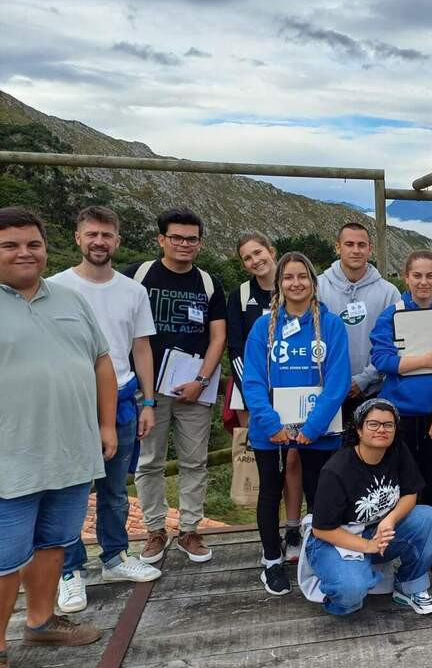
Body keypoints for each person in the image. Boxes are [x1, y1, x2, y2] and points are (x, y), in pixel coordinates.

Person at [0, 207, 116, 668]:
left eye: (33, 244)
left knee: (54, 543)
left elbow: (102, 361)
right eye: (10, 245)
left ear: (48, 248)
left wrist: (107, 424)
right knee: (4, 560)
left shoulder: (70, 299)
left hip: (70, 451)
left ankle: (42, 621)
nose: (25, 252)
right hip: (10, 456)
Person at [49, 206, 162, 614]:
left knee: (115, 489)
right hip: (72, 401)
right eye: (92, 234)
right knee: (70, 490)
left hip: (124, 399)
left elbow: (141, 347)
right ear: (78, 237)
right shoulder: (54, 288)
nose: (99, 241)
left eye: (107, 235)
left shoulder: (133, 291)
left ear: (117, 240)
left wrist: (149, 401)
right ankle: (69, 570)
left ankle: (114, 557)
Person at [242, 252, 350, 596]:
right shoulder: (263, 327)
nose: (296, 283)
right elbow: (253, 380)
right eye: (288, 277)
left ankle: (318, 557)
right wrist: (271, 423)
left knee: (320, 496)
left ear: (313, 282)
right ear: (279, 284)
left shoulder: (331, 325)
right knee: (270, 493)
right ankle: (271, 561)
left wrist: (312, 428)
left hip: (318, 430)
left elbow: (338, 381)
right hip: (270, 431)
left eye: (302, 276)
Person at [126, 207, 227, 565]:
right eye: (177, 238)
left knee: (194, 461)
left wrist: (201, 381)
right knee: (149, 461)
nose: (185, 244)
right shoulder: (137, 276)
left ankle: (189, 530)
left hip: (193, 387)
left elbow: (218, 337)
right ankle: (155, 530)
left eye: (192, 239)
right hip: (147, 388)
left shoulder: (209, 283)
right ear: (161, 240)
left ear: (200, 243)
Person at [300, 399, 432, 616]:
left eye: (388, 425)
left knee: (427, 517)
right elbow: (322, 529)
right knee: (351, 595)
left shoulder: (397, 451)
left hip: (376, 531)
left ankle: (408, 587)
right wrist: (368, 546)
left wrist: (390, 520)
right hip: (333, 539)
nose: (381, 430)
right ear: (359, 429)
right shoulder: (337, 470)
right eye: (373, 424)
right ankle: (337, 582)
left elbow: (410, 493)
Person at [370, 250, 432, 525]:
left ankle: (431, 534)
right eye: (417, 276)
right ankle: (398, 533)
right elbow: (380, 360)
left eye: (429, 276)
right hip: (400, 414)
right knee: (399, 477)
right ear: (406, 278)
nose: (423, 282)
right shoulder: (392, 315)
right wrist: (423, 361)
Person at [228, 232, 303, 563]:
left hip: (297, 392)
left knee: (294, 461)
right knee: (267, 468)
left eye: (258, 252)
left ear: (271, 251)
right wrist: (254, 395)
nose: (255, 260)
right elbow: (236, 350)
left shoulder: (297, 289)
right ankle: (270, 540)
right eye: (247, 258)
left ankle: (294, 527)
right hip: (256, 395)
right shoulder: (241, 295)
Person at [318, 222, 400, 418]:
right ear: (337, 247)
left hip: (374, 392)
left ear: (370, 249)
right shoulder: (317, 288)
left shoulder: (389, 293)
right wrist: (336, 382)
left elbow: (396, 342)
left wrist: (365, 379)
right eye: (349, 244)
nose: (356, 250)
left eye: (361, 245)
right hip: (325, 391)